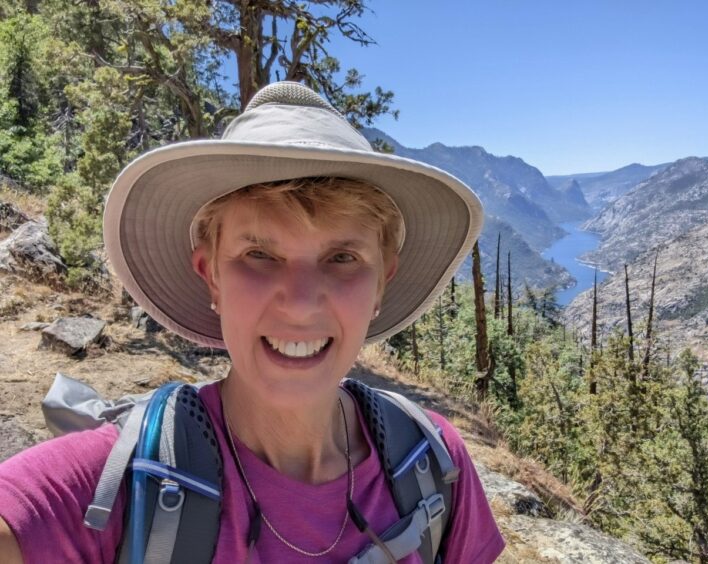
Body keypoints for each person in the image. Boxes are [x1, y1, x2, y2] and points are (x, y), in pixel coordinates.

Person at [0, 82, 505, 563]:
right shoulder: (114, 485)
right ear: (211, 275)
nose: (302, 304)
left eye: (343, 258)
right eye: (259, 253)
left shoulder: (435, 460)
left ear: (382, 283)